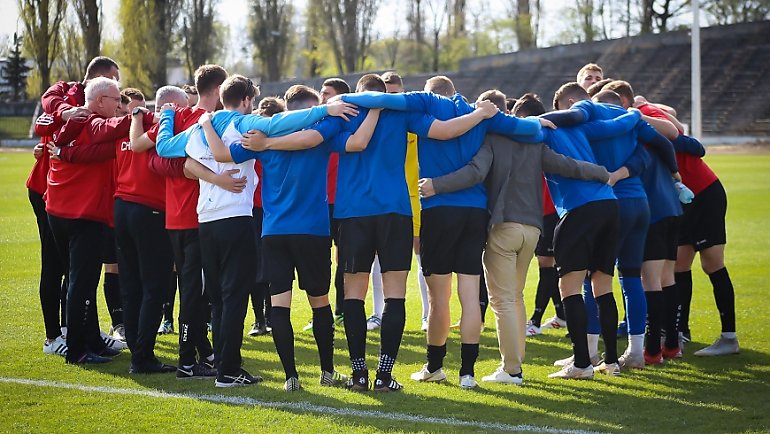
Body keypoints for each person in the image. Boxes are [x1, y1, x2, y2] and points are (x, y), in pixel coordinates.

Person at [249, 74, 500, 391]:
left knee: (354, 295)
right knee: (395, 294)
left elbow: (311, 138)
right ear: (385, 96)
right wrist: (479, 114)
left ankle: (358, 374)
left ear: (359, 93)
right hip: (395, 212)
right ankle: (384, 375)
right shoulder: (401, 111)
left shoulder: (345, 112)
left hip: (353, 215)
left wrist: (267, 141)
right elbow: (447, 131)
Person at [337, 76, 553, 389]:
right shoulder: (480, 111)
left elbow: (385, 103)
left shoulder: (423, 106)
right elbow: (529, 130)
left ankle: (434, 367)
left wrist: (334, 103)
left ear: (429, 93)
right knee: (469, 295)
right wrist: (536, 120)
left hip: (437, 209)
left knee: (439, 300)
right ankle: (467, 373)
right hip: (474, 212)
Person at [155, 74, 358, 387]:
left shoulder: (200, 127)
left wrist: (168, 115)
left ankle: (252, 370)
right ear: (248, 100)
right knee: (246, 297)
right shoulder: (252, 127)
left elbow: (166, 148)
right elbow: (291, 127)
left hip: (212, 221)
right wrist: (325, 111)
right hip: (248, 220)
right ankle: (234, 370)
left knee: (224, 299)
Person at [419, 90, 611, 385]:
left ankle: (512, 369)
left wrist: (437, 185)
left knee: (503, 300)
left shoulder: (492, 139)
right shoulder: (534, 141)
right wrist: (602, 172)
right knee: (515, 298)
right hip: (532, 229)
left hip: (503, 227)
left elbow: (474, 172)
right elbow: (567, 165)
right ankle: (513, 365)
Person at [199, 84, 373, 391]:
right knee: (319, 302)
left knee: (279, 304)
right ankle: (327, 372)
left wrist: (206, 124)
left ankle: (291, 377)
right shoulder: (325, 129)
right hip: (312, 231)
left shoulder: (261, 139)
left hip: (274, 231)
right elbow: (355, 141)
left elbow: (222, 154)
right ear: (313, 107)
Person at [623, 86, 739, 356]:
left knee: (712, 263)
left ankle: (729, 337)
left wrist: (641, 113)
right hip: (680, 200)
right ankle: (680, 332)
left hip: (703, 193)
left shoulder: (639, 113)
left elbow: (680, 134)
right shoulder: (635, 115)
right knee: (679, 264)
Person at [130, 65, 230, 379]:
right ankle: (188, 362)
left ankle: (206, 353)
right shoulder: (204, 121)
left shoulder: (178, 118)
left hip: (176, 216)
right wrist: (193, 170)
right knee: (195, 292)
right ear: (218, 90)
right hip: (197, 217)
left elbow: (150, 156)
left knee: (193, 290)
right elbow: (158, 159)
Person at [47, 77, 153, 364]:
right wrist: (145, 114)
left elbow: (90, 150)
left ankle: (90, 341)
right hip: (82, 215)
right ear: (99, 100)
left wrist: (65, 152)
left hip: (62, 211)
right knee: (81, 283)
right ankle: (78, 350)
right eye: (117, 100)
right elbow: (110, 130)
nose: (120, 106)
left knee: (80, 281)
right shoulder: (90, 121)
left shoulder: (73, 121)